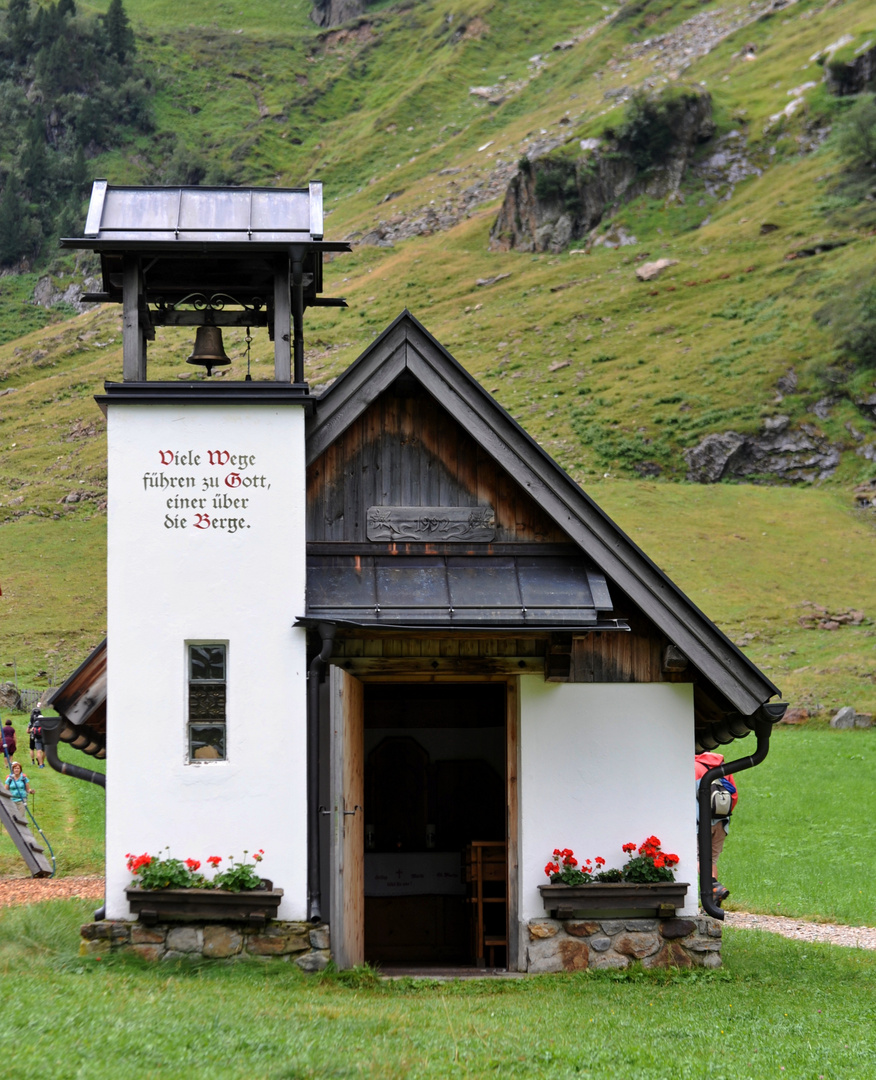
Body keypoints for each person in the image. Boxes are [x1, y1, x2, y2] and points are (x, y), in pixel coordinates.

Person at [695, 751, 738, 904]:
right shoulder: (723, 766)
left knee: (697, 859)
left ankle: (714, 886)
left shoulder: (693, 767)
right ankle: (713, 901)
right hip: (722, 822)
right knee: (711, 860)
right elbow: (734, 796)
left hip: (700, 823)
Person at [28, 704, 45, 768]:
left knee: (35, 750)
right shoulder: (44, 722)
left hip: (35, 737)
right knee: (44, 751)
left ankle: (34, 762)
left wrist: (32, 731)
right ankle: (42, 762)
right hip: (43, 737)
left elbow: (27, 731)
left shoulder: (32, 722)